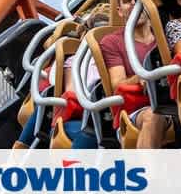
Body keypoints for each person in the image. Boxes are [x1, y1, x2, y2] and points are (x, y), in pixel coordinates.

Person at [13, 9, 109, 149]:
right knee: (90, 134)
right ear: (84, 35)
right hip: (79, 118)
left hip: (106, 116)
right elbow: (72, 93)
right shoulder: (74, 62)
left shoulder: (115, 58)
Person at [98, 0, 167, 149]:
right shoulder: (111, 42)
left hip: (172, 100)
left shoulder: (164, 33)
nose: (135, 3)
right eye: (128, 0)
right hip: (138, 108)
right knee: (153, 115)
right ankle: (146, 174)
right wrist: (140, 77)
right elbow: (117, 83)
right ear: (120, 11)